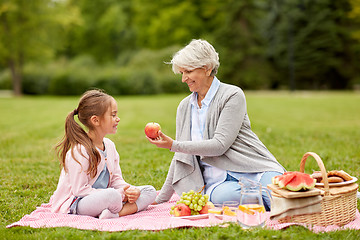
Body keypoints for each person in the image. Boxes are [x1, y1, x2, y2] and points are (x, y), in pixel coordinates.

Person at [147, 39, 285, 210]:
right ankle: (276, 202)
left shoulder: (232, 95)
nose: (183, 79)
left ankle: (274, 199)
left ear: (207, 68)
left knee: (275, 190)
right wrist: (161, 199)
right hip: (219, 183)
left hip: (255, 169)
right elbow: (181, 157)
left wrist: (173, 145)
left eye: (188, 71)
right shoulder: (184, 107)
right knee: (223, 197)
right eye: (182, 73)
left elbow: (220, 145)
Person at [51, 89, 156, 219]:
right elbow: (79, 190)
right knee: (113, 196)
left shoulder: (110, 146)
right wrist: (119, 194)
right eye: (113, 115)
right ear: (95, 120)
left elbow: (116, 179)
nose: (118, 119)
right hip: (77, 203)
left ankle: (114, 214)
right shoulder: (80, 151)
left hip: (108, 197)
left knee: (149, 191)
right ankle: (117, 209)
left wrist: (128, 190)